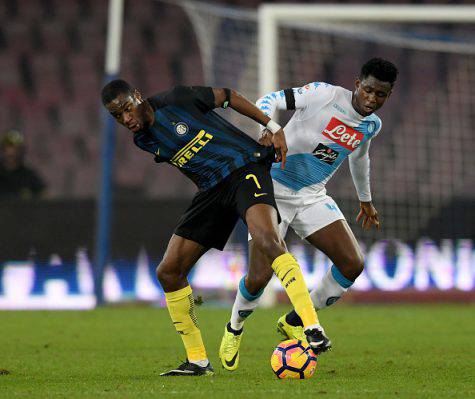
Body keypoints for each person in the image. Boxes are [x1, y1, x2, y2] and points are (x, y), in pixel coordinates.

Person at [101, 80, 331, 376]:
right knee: (169, 272)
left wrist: (273, 127)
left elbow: (229, 97)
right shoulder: (142, 139)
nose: (126, 119)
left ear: (137, 96)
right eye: (117, 117)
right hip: (211, 189)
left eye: (126, 110)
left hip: (244, 167)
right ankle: (197, 361)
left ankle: (311, 326)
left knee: (268, 241)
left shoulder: (177, 98)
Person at [219, 58, 398, 371]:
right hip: (271, 188)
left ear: (388, 95)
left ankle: (294, 320)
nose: (372, 99)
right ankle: (234, 328)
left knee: (352, 264)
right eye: (368, 90)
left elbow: (359, 158)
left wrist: (365, 200)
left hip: (311, 194)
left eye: (380, 95)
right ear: (357, 83)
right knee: (259, 277)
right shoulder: (324, 94)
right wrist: (269, 129)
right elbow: (269, 100)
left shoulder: (372, 125)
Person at [0, 129, 46, 200]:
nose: (12, 152)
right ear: (3, 150)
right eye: (9, 147)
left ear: (21, 151)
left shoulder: (28, 175)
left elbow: (45, 194)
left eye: (16, 148)